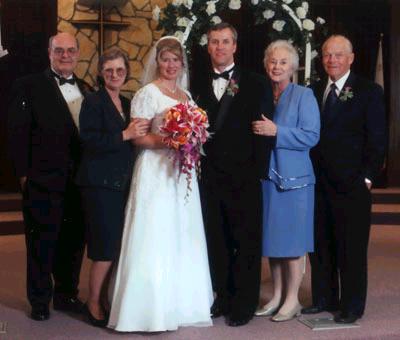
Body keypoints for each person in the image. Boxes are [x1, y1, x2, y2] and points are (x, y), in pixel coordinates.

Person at [107, 36, 213, 332]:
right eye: (165, 59)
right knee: (154, 231)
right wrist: (172, 140)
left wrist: (191, 142)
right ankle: (147, 311)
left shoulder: (187, 96)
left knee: (181, 230)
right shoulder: (146, 94)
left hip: (181, 173)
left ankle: (180, 305)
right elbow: (139, 138)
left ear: (182, 64)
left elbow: (195, 135)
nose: (170, 65)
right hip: (155, 170)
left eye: (175, 60)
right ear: (157, 61)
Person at [191, 22, 274, 327]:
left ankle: (244, 303)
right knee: (217, 239)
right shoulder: (196, 83)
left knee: (246, 242)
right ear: (208, 46)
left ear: (235, 46)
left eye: (226, 41)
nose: (220, 47)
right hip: (209, 176)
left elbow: (265, 131)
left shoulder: (255, 82)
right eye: (214, 42)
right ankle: (223, 296)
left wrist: (258, 173)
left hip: (244, 176)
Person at [8, 32, 93, 321]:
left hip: (78, 182)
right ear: (49, 53)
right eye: (59, 50)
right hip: (43, 181)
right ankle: (40, 300)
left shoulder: (87, 89)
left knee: (73, 242)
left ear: (78, 53)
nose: (65, 55)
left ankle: (66, 294)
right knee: (41, 243)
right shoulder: (27, 86)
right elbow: (16, 134)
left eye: (70, 50)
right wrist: (23, 176)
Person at [302, 35, 386, 323]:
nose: (332, 60)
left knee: (351, 247)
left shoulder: (369, 90)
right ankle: (324, 298)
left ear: (351, 58)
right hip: (318, 182)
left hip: (352, 184)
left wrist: (367, 178)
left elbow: (377, 139)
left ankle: (351, 306)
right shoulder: (312, 91)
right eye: (327, 55)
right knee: (321, 245)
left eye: (338, 55)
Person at [75, 48, 150, 327]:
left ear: (126, 72)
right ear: (101, 73)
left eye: (120, 70)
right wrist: (125, 134)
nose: (115, 75)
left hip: (122, 183)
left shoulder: (128, 102)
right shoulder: (93, 102)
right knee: (103, 248)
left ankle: (105, 298)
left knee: (117, 246)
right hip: (99, 184)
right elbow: (89, 141)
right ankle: (92, 302)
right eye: (109, 70)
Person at [252, 40, 320, 322]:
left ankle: (293, 300)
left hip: (296, 181)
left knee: (292, 243)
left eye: (282, 62)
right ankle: (278, 295)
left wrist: (276, 131)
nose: (276, 67)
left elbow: (311, 135)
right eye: (272, 61)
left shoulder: (304, 95)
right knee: (274, 242)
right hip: (268, 179)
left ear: (293, 67)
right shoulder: (264, 94)